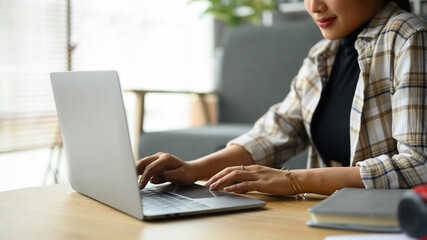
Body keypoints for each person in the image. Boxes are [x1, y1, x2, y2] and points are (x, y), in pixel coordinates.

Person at [136, 0, 427, 196]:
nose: (314, 6)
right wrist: (192, 169)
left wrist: (293, 180)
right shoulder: (322, 55)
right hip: (330, 212)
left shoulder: (409, 38)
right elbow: (276, 132)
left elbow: (419, 165)